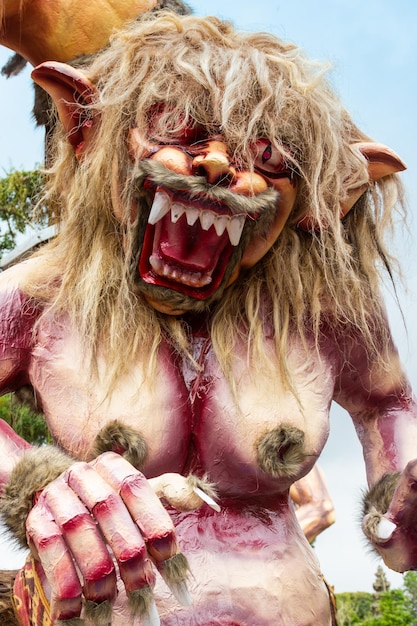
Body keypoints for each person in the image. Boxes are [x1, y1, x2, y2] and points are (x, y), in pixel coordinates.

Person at [0, 9, 416, 626]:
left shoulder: (325, 311)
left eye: (266, 152)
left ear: (325, 195)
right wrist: (36, 482)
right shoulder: (46, 291)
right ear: (87, 131)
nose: (219, 164)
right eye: (176, 128)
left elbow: (389, 404)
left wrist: (399, 492)